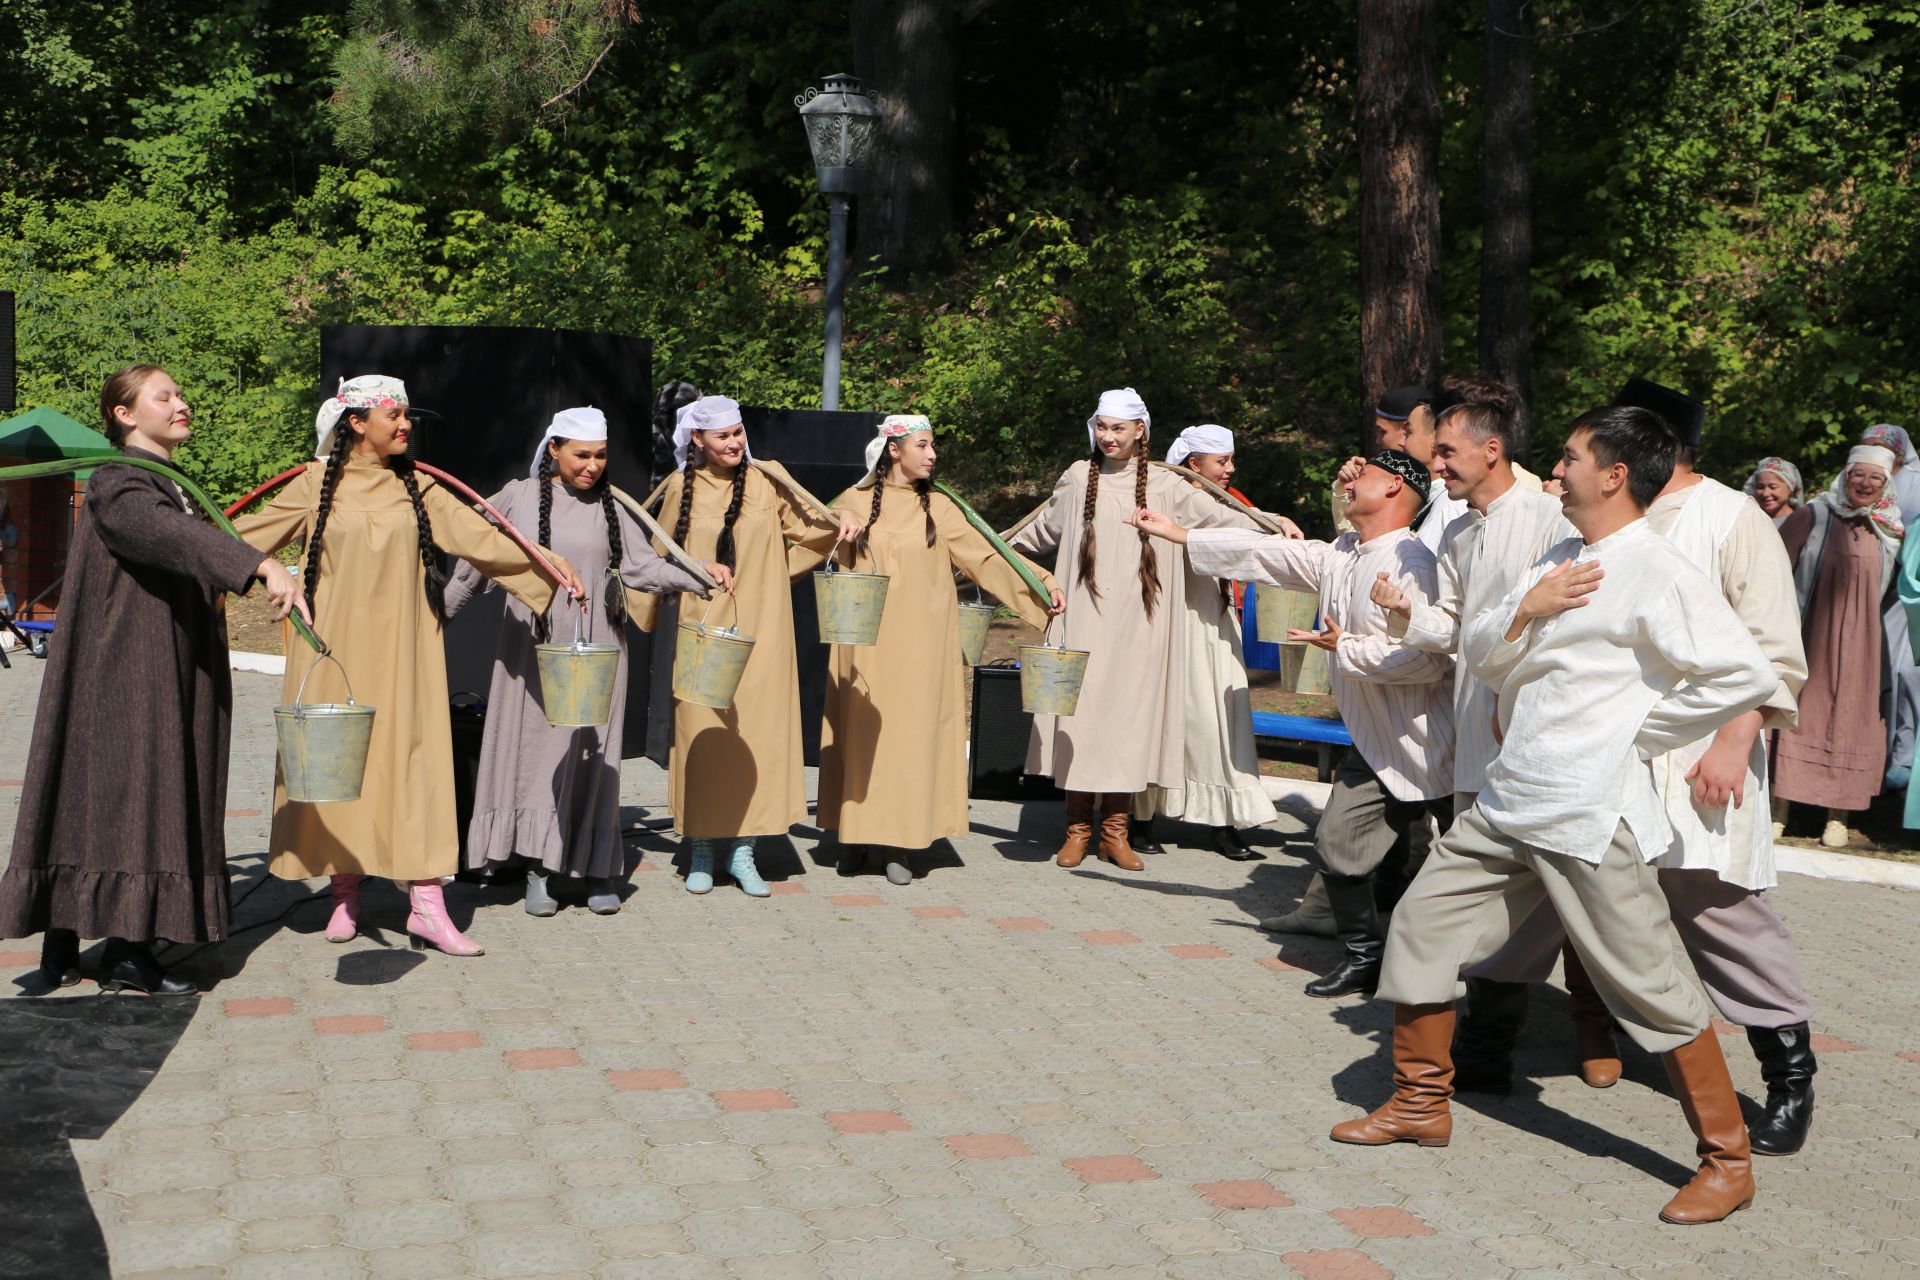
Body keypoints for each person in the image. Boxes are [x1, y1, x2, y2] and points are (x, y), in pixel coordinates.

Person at [1341, 404, 1777, 1227]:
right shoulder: (1563, 552)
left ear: (1614, 474)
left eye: (1573, 457)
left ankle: (1728, 1160)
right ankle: (1419, 1103)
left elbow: (1742, 675)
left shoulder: (1660, 568)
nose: (1558, 469)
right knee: (1422, 929)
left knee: (1647, 984)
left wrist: (1635, 734)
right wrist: (1528, 608)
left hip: (1590, 812)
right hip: (1511, 796)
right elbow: (1483, 654)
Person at [1454, 380, 1820, 1156]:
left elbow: (1772, 652)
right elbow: (1539, 623)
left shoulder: (1731, 518)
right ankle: (1483, 1048)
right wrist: (1513, 696)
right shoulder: (1580, 524)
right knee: (1529, 900)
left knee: (1719, 914)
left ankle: (1789, 1078)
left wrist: (1732, 739)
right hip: (1574, 761)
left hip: (1690, 754)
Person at [236, 376, 580, 956]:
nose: (405, 424)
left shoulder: (421, 487)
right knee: (337, 769)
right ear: (356, 423)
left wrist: (547, 568)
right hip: (329, 652)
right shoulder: (313, 483)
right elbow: (237, 540)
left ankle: (427, 905)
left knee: (415, 768)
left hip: (406, 652)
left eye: (406, 415)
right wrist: (271, 574)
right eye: (393, 415)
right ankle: (344, 889)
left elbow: (482, 536)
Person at [0, 366, 308, 995]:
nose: (181, 403)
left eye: (179, 393)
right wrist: (256, 566)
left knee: (121, 792)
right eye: (163, 397)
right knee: (129, 792)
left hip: (162, 662)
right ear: (124, 414)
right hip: (124, 669)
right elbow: (160, 533)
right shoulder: (120, 480)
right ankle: (102, 940)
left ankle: (110, 938)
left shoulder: (169, 482)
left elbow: (178, 542)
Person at [1131, 450, 1454, 999]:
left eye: (1364, 475)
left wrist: (1345, 648)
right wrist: (1180, 534)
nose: (1349, 482)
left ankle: (1481, 974)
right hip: (1377, 745)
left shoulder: (1412, 562)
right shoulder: (1342, 554)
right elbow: (1268, 554)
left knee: (1474, 864)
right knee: (1339, 845)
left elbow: (1429, 660)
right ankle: (1365, 955)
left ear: (1397, 488)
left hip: (1437, 746)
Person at [445, 408, 729, 916]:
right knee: (538, 752)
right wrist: (438, 614)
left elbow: (644, 568)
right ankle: (539, 866)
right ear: (554, 448)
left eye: (600, 456)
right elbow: (473, 562)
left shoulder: (614, 505)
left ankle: (596, 866)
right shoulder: (518, 497)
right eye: (582, 455)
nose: (593, 466)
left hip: (598, 647)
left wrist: (698, 574)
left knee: (595, 752)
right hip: (532, 650)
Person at [1363, 375, 1570, 1067]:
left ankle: (1522, 1041)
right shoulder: (1456, 532)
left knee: (1539, 911)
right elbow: (1453, 628)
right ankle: (1471, 1055)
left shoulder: (1551, 521)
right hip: (1474, 748)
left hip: (1536, 748)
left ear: (1493, 448)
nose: (1436, 465)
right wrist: (1407, 615)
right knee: (1478, 906)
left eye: (1448, 452)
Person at [1008, 388, 1263, 870]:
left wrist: (1272, 524)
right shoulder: (1078, 476)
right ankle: (1078, 829)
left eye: (1118, 428)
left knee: (1129, 723)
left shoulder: (1168, 485)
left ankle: (1115, 832)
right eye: (1102, 427)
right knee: (1080, 721)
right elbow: (1041, 530)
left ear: (1140, 431)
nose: (1108, 437)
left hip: (1143, 627)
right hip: (1083, 621)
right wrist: (988, 552)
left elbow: (1220, 515)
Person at [817, 416, 1061, 883]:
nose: (932, 455)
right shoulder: (852, 501)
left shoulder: (943, 509)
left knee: (908, 741)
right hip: (863, 648)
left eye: (933, 447)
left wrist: (1042, 585)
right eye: (923, 446)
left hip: (921, 645)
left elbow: (989, 557)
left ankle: (899, 844)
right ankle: (854, 835)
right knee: (861, 737)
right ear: (894, 450)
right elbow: (804, 537)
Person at [633, 396, 846, 896]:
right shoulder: (681, 488)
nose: (734, 442)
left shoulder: (767, 481)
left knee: (758, 734)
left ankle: (746, 849)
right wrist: (633, 612)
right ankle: (703, 846)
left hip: (764, 628)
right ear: (698, 441)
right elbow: (652, 558)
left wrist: (771, 576)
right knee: (704, 734)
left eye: (738, 432)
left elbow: (817, 534)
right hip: (704, 628)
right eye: (722, 436)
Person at [1149, 424, 1281, 859]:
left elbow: (1251, 527)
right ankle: (1141, 815)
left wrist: (1277, 525)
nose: (1230, 469)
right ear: (1195, 464)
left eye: (1230, 459)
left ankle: (1224, 820)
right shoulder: (1163, 495)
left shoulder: (1229, 502)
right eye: (1221, 461)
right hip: (1172, 617)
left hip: (1216, 619)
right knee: (1167, 715)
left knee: (1220, 721)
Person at [1772, 444, 1901, 849]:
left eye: (1875, 478)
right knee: (1800, 713)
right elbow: (1774, 568)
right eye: (1858, 475)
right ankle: (1780, 811)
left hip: (1863, 646)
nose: (1865, 484)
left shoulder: (1889, 531)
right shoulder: (1815, 515)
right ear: (1845, 476)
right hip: (1812, 635)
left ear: (1886, 485)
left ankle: (1838, 818)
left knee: (1851, 720)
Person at [1860, 426, 1920, 793]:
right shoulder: (1859, 477)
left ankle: (1903, 753)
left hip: (1909, 586)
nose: (1874, 454)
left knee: (1905, 669)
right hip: (1866, 585)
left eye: (1880, 449)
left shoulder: (1916, 482)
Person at [1743, 457, 1804, 527]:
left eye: (1773, 487)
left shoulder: (1801, 523)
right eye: (1760, 487)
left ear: (1789, 489)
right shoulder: (1751, 524)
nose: (1765, 493)